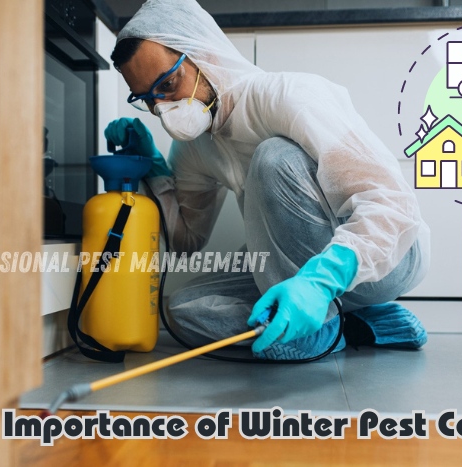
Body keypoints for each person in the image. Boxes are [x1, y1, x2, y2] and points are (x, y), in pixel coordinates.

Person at [104, 0, 431, 360]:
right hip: (291, 268)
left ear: (204, 53)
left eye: (168, 84)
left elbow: (394, 206)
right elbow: (185, 240)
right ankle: (355, 324)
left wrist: (320, 281)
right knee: (185, 309)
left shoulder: (289, 97)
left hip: (383, 259)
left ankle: (321, 318)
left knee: (273, 156)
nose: (163, 109)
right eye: (148, 99)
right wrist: (154, 168)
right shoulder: (195, 148)